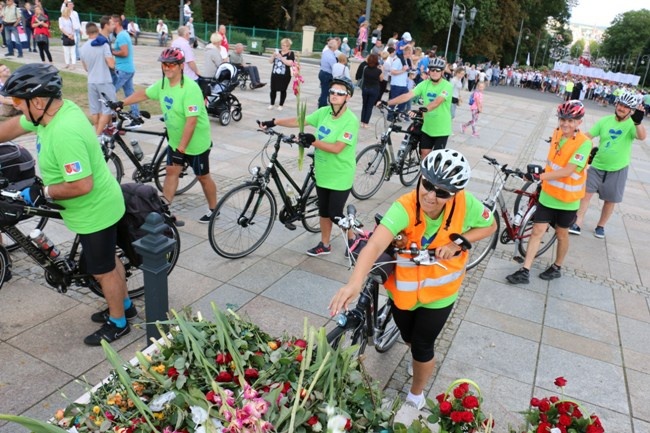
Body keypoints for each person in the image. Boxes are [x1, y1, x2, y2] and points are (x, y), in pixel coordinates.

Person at [329, 149, 496, 424]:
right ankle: (416, 358)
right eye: (427, 184)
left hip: (440, 293)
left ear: (454, 193)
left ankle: (416, 394)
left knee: (422, 344)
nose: (430, 195)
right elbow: (374, 245)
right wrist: (354, 284)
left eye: (442, 192)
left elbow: (489, 226)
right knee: (408, 337)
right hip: (404, 292)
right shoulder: (405, 206)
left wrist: (458, 242)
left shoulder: (468, 205)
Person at [0, 63, 131, 345]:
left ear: (37, 101)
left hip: (95, 210)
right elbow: (12, 127)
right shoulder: (53, 111)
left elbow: (82, 185)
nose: (18, 109)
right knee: (108, 260)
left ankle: (119, 322)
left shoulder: (65, 132)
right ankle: (126, 305)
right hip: (99, 205)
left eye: (20, 104)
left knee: (102, 269)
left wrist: (44, 191)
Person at [258, 77, 359, 256]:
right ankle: (325, 244)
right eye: (332, 92)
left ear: (347, 97)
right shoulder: (323, 112)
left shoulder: (350, 120)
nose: (335, 95)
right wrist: (274, 122)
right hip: (322, 172)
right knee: (324, 211)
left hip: (340, 173)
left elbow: (337, 148)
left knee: (335, 214)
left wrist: (313, 141)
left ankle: (353, 238)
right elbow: (300, 120)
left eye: (340, 93)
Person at [119, 48, 218, 223]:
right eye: (164, 64)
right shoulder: (163, 84)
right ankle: (164, 211)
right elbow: (144, 93)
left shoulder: (190, 89)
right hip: (175, 140)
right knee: (172, 172)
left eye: (171, 64)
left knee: (203, 176)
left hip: (196, 143)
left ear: (181, 66)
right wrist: (121, 103)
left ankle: (213, 209)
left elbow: (192, 122)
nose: (167, 67)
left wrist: (182, 148)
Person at [506, 101, 592, 284]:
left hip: (567, 200)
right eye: (563, 119)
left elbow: (568, 170)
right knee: (537, 230)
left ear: (579, 122)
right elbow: (553, 161)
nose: (565, 124)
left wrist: (541, 176)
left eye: (571, 120)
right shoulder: (556, 133)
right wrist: (540, 177)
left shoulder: (584, 144)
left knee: (562, 234)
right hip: (548, 194)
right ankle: (524, 270)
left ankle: (557, 266)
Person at [570, 92, 647, 238]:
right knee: (585, 195)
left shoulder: (632, 124)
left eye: (626, 107)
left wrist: (638, 123)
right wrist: (571, 139)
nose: (621, 108)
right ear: (616, 104)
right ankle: (577, 223)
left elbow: (642, 137)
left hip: (618, 168)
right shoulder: (605, 121)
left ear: (630, 110)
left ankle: (601, 226)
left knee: (610, 200)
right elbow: (588, 136)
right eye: (620, 104)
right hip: (597, 165)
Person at [386, 57, 453, 158]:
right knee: (424, 155)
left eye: (438, 70)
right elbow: (407, 96)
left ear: (442, 72)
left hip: (441, 129)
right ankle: (422, 174)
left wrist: (421, 111)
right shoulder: (424, 84)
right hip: (427, 127)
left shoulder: (447, 86)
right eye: (432, 70)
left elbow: (437, 102)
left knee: (436, 158)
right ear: (429, 71)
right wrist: (388, 103)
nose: (434, 72)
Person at [80, 22, 116, 135]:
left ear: (86, 33)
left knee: (95, 108)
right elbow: (111, 64)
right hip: (104, 79)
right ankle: (98, 134)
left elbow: (85, 67)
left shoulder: (82, 48)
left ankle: (97, 129)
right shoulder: (103, 45)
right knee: (108, 108)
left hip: (91, 81)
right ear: (98, 31)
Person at [111, 15, 141, 125]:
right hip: (127, 69)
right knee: (130, 94)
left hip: (123, 70)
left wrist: (112, 52)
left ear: (117, 23)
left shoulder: (122, 36)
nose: (110, 25)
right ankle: (136, 116)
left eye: (112, 22)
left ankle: (112, 119)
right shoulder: (122, 35)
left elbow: (124, 52)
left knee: (110, 91)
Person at [268, 38, 294, 111]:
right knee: (273, 89)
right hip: (275, 74)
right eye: (283, 45)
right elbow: (270, 61)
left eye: (286, 46)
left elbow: (290, 63)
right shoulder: (277, 52)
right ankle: (272, 104)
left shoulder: (290, 53)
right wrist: (273, 56)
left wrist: (281, 58)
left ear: (289, 47)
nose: (284, 47)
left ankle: (281, 105)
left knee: (283, 90)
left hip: (285, 75)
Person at [357, 53, 382, 128]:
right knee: (369, 106)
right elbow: (381, 79)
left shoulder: (365, 69)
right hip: (374, 89)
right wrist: (381, 69)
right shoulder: (378, 71)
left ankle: (362, 122)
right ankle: (366, 123)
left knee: (364, 105)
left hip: (365, 88)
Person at [318, 38, 337, 108]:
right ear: (334, 46)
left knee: (324, 91)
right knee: (325, 92)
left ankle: (322, 102)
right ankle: (322, 106)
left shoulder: (326, 52)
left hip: (322, 72)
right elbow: (334, 67)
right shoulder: (330, 56)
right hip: (327, 74)